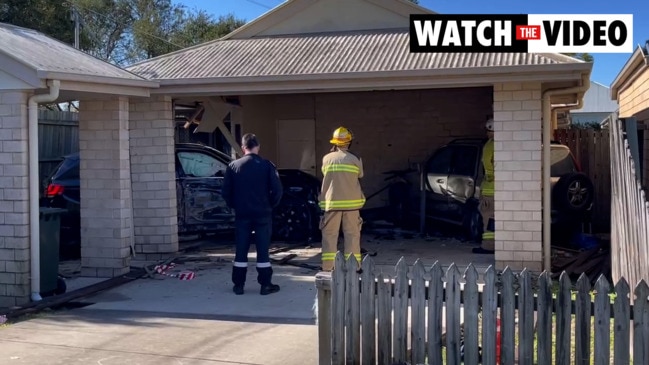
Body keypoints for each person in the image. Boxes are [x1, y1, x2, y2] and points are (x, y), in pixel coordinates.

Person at [222, 133, 283, 295]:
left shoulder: (233, 166)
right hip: (263, 214)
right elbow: (277, 191)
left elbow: (226, 192)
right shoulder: (267, 165)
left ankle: (239, 285)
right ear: (258, 146)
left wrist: (235, 206)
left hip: (242, 214)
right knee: (263, 250)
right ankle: (265, 284)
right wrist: (270, 205)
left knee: (241, 250)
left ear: (243, 148)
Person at [319, 127, 365, 271]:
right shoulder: (355, 159)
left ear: (335, 142)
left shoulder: (326, 158)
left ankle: (328, 267)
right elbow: (360, 175)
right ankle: (354, 267)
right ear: (349, 142)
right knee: (352, 236)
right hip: (352, 205)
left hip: (331, 204)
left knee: (329, 236)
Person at [473, 118, 495, 254]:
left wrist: (490, 176)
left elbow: (487, 164)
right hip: (503, 189)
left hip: (490, 189)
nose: (487, 133)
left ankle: (488, 246)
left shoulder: (490, 145)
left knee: (488, 217)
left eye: (488, 130)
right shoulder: (506, 144)